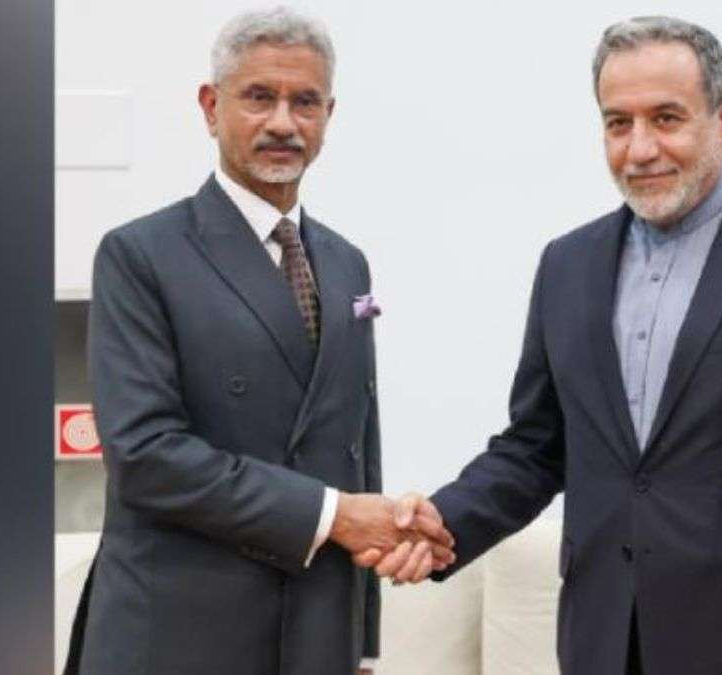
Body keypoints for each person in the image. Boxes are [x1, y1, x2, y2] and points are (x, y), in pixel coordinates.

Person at [366, 16, 722, 675]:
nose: (640, 148)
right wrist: (442, 522)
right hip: (602, 641)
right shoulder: (567, 264)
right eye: (618, 123)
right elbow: (536, 447)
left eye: (666, 118)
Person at [64, 7, 453, 675]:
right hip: (177, 639)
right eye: (259, 97)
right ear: (211, 107)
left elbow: (358, 447)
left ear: (329, 114)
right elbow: (146, 454)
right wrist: (335, 515)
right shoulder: (140, 255)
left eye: (304, 102)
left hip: (315, 634)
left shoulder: (347, 264)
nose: (282, 122)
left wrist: (362, 641)